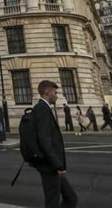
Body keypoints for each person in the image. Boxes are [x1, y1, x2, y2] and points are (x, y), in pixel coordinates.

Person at [32, 80, 78, 208]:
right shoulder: (42, 108)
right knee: (53, 202)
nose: (57, 95)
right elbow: (44, 139)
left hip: (52, 166)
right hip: (49, 166)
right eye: (55, 92)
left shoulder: (44, 107)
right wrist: (58, 165)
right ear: (47, 92)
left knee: (71, 198)